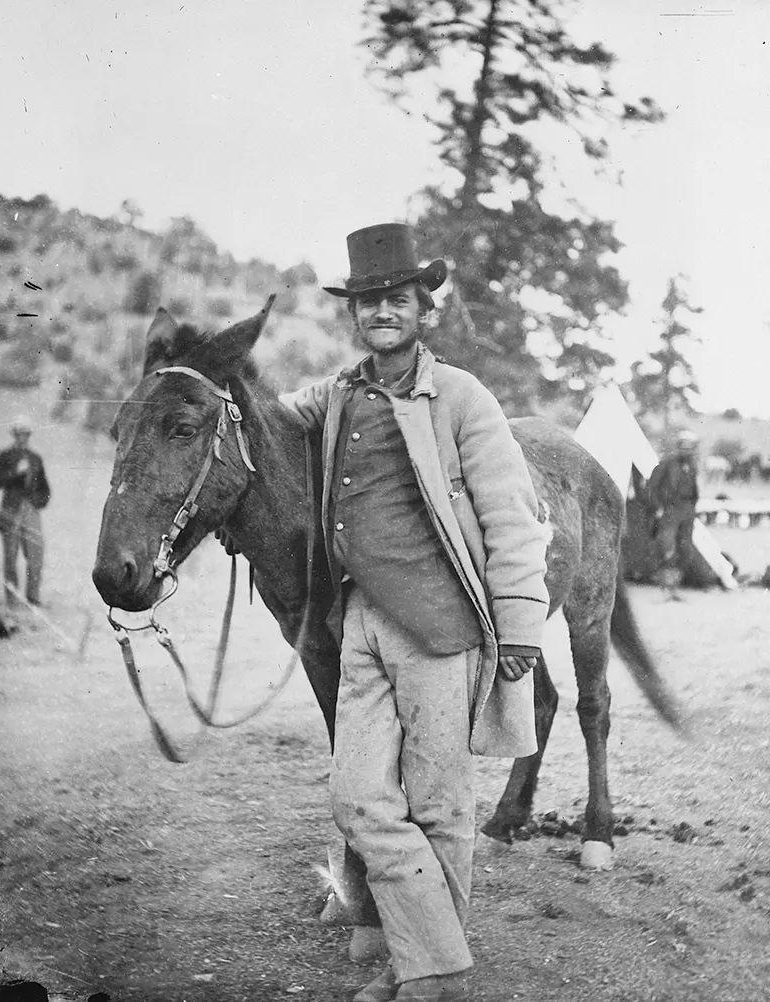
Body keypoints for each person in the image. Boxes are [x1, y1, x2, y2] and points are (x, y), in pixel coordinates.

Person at [283, 223, 549, 1002]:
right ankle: (436, 958)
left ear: (422, 310)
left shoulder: (462, 396)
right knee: (357, 794)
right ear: (355, 315)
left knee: (438, 805)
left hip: (442, 627)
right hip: (360, 622)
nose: (382, 313)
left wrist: (522, 626)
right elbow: (265, 417)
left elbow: (511, 516)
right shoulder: (337, 394)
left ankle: (427, 971)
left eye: (396, 299)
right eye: (368, 302)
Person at [0, 417, 50, 606]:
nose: (22, 437)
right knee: (10, 557)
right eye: (19, 433)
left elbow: (45, 489)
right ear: (14, 434)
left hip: (30, 511)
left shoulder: (35, 458)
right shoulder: (4, 456)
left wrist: (37, 502)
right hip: (10, 510)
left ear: (29, 436)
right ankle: (12, 599)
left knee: (36, 554)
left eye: (26, 434)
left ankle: (33, 596)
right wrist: (15, 473)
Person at [647, 429, 700, 600]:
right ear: (678, 447)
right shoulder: (667, 463)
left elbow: (693, 490)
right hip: (669, 510)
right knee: (667, 548)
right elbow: (651, 488)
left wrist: (692, 509)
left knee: (685, 549)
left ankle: (674, 588)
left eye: (690, 448)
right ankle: (666, 589)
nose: (688, 451)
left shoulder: (692, 465)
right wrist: (658, 508)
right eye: (684, 447)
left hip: (687, 511)